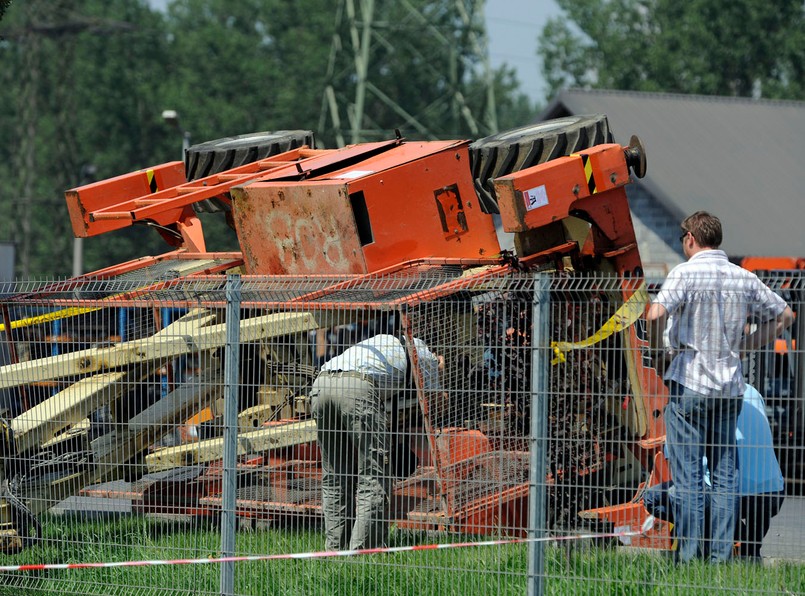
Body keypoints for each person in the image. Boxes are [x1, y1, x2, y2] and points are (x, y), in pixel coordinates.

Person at [645, 211, 793, 563]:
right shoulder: (742, 277)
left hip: (690, 383)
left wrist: (658, 354)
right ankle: (721, 562)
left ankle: (690, 557)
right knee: (727, 476)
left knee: (689, 476)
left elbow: (654, 315)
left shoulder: (686, 272)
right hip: (729, 388)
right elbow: (785, 315)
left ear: (690, 238)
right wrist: (747, 347)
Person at [309, 333, 442, 551]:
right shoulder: (424, 356)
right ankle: (364, 552)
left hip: (321, 384)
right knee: (373, 477)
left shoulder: (385, 341)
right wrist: (439, 370)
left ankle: (334, 550)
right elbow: (437, 403)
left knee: (334, 477)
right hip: (356, 389)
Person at [643, 383, 785, 560]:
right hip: (773, 492)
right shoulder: (752, 391)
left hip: (728, 496)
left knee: (656, 498)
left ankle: (709, 548)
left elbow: (678, 467)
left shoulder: (689, 400)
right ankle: (750, 554)